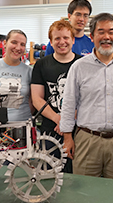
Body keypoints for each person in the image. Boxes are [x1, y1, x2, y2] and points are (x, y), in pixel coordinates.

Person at [59, 13, 113, 180]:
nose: (106, 37)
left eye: (111, 32)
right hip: (87, 140)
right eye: (101, 32)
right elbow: (69, 103)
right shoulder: (79, 66)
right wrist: (67, 136)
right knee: (84, 193)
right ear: (92, 36)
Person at [31, 19, 82, 173]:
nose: (62, 42)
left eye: (66, 38)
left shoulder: (82, 64)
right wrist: (58, 119)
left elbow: (87, 99)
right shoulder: (41, 65)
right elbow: (37, 99)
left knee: (77, 175)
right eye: (57, 38)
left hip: (78, 130)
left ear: (73, 40)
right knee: (50, 174)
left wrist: (68, 120)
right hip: (50, 129)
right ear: (51, 42)